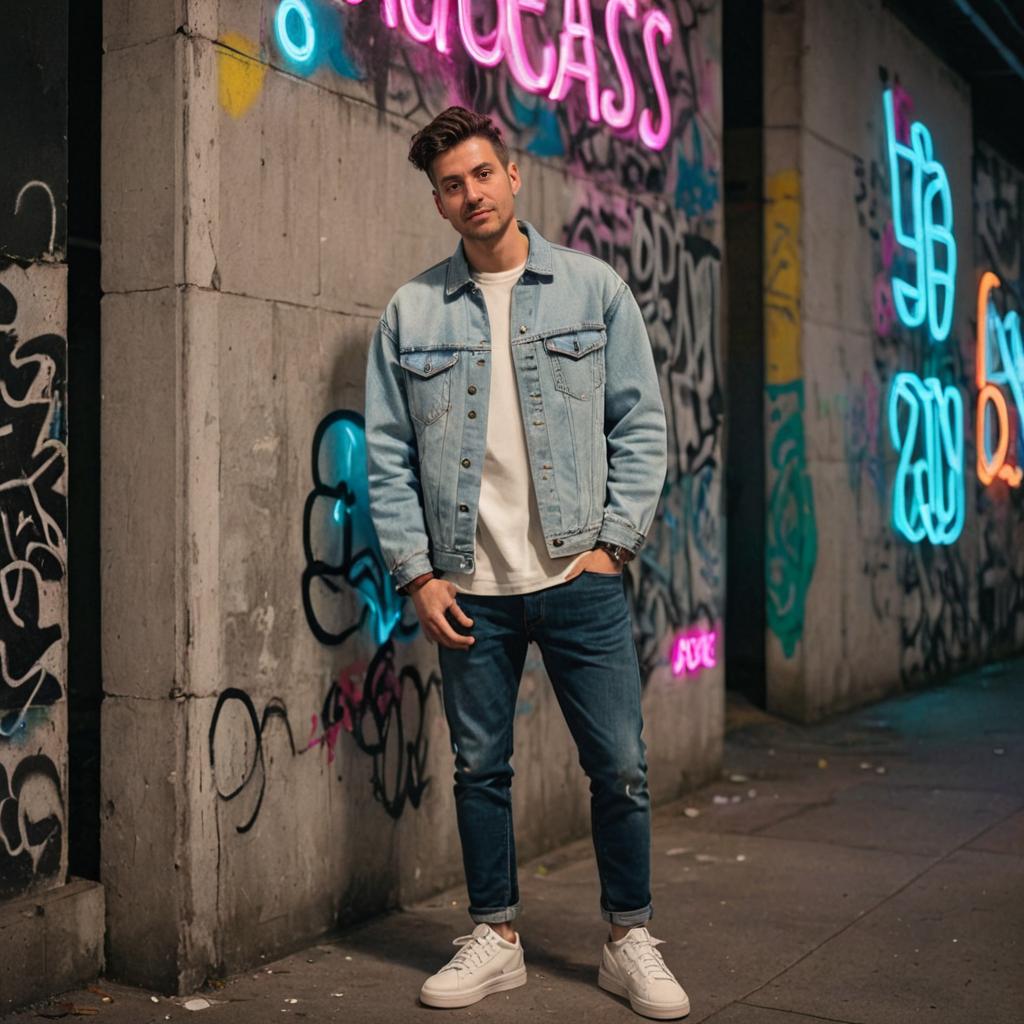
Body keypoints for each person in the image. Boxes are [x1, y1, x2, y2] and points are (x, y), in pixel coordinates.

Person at [364, 106, 688, 1020]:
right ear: (438, 202)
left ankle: (630, 939)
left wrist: (611, 544)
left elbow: (643, 424)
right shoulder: (412, 311)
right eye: (450, 186)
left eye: (480, 175)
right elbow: (387, 455)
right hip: (470, 587)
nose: (470, 195)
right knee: (479, 769)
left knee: (619, 765)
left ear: (514, 177)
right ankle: (496, 936)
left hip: (577, 579)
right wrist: (418, 576)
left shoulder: (595, 291)